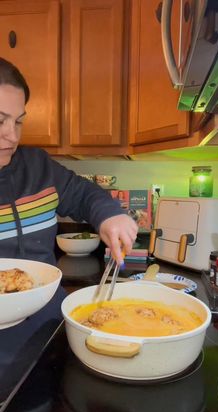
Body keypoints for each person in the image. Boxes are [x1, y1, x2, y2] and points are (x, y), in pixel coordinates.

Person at [0, 57, 138, 266]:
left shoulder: (39, 167)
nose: (13, 135)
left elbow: (83, 194)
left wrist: (109, 215)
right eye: (0, 121)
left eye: (19, 121)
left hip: (50, 298)